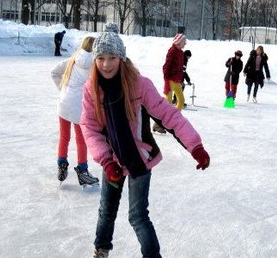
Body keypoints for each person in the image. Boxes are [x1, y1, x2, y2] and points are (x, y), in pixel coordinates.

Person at [79, 30, 210, 258]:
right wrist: (106, 161)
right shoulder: (91, 89)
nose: (106, 64)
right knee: (106, 211)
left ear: (121, 58)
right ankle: (101, 249)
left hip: (140, 160)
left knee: (138, 216)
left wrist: (195, 146)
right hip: (112, 160)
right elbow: (89, 128)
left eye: (112, 57)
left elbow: (170, 116)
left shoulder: (139, 85)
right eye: (100, 58)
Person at [51, 36, 99, 187]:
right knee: (81, 140)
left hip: (64, 103)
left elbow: (54, 72)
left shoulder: (72, 60)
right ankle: (83, 171)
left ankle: (61, 165)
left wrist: (63, 90)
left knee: (64, 137)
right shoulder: (96, 65)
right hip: (80, 107)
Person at [153, 33, 187, 134]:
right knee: (167, 103)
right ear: (179, 42)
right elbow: (166, 66)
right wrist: (166, 80)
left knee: (181, 100)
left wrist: (181, 78)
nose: (185, 43)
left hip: (177, 80)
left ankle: (173, 120)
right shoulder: (172, 51)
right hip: (169, 80)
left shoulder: (181, 52)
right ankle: (157, 125)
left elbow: (180, 67)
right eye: (184, 42)